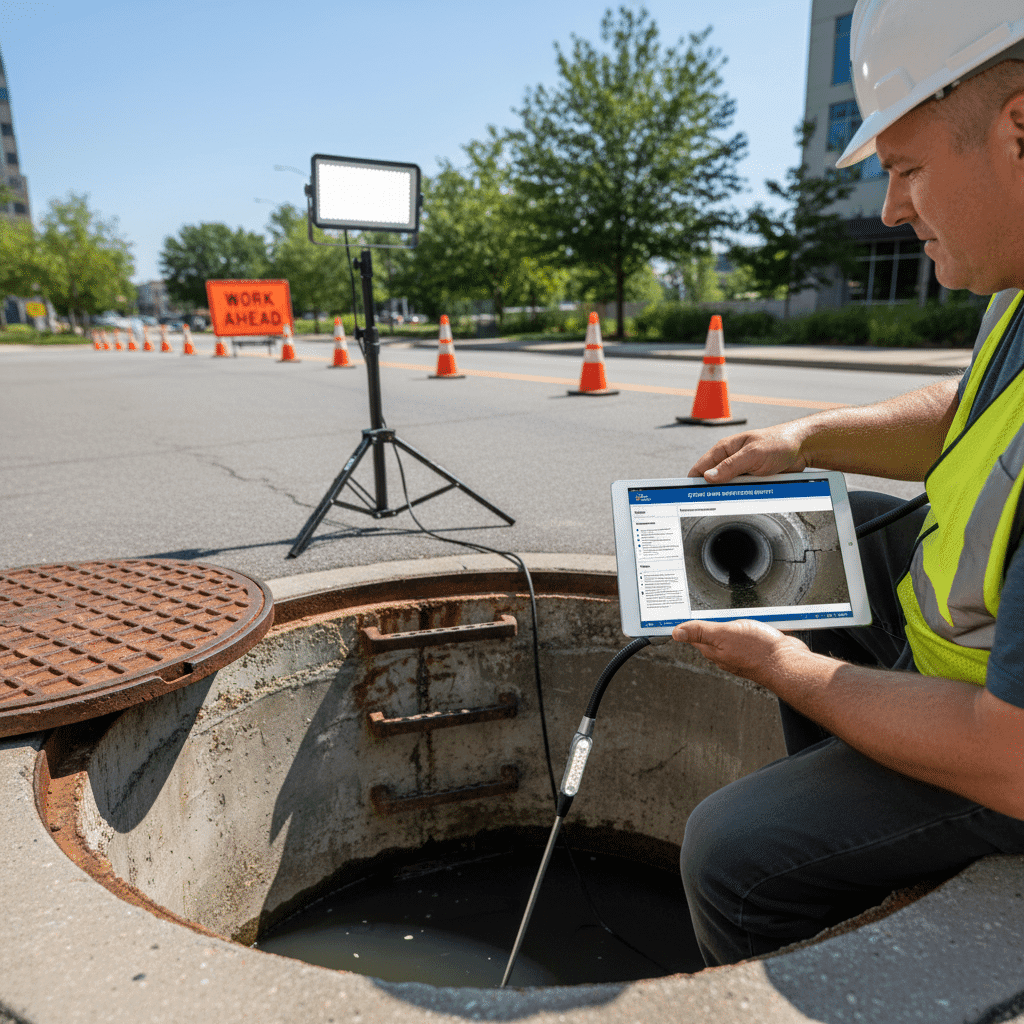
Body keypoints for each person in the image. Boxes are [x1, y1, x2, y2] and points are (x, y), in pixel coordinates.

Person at [673, 0, 1024, 967]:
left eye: (908, 169)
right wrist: (808, 438)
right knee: (821, 537)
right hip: (981, 666)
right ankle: (852, 807)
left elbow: (1015, 756)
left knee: (731, 851)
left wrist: (784, 667)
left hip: (1005, 749)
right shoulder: (1018, 287)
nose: (891, 208)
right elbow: (973, 410)